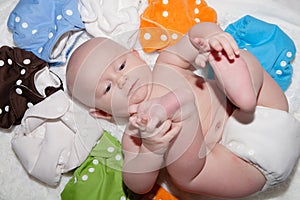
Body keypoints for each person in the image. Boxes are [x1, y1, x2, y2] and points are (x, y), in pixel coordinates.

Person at [66, 22, 300, 198]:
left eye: (121, 66)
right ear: (103, 114)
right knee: (187, 176)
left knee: (242, 58)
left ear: (136, 55)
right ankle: (183, 111)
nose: (122, 81)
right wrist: (151, 149)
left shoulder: (167, 63)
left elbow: (193, 36)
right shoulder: (136, 134)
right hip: (241, 166)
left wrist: (211, 38)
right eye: (107, 88)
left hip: (263, 113)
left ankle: (241, 89)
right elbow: (137, 185)